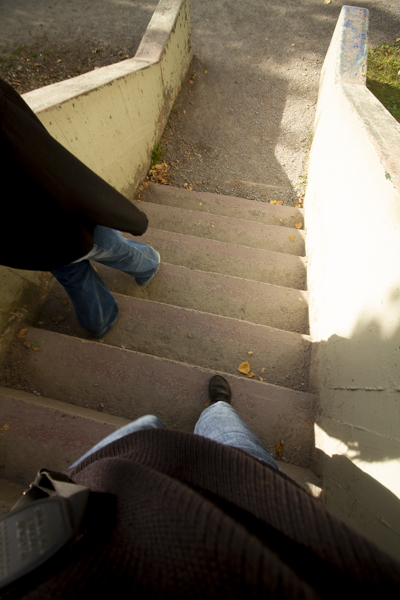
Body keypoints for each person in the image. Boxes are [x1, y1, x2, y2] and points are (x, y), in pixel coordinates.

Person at [2, 376, 400, 598]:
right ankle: (216, 407)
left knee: (147, 425)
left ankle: (211, 413)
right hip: (245, 504)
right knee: (224, 433)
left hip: (78, 506)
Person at [0, 78, 159, 337]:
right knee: (113, 247)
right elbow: (44, 160)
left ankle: (100, 322)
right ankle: (149, 266)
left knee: (73, 275)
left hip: (23, 237)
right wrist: (124, 215)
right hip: (58, 213)